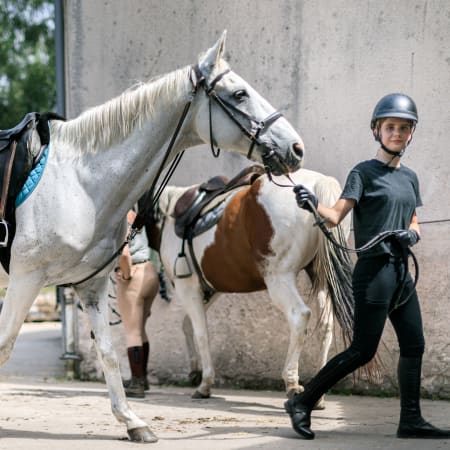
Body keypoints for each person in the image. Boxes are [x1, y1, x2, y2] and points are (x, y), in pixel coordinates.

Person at [285, 93, 450, 440]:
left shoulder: (410, 178)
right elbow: (335, 216)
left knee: (415, 344)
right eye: (390, 127)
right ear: (377, 130)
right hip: (374, 273)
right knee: (363, 350)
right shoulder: (363, 173)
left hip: (402, 273)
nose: (397, 133)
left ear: (411, 134)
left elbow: (415, 219)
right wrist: (314, 205)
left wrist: (413, 235)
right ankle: (302, 402)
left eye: (404, 128)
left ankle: (411, 420)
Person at [115, 208, 160, 398]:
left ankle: (137, 382)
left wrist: (125, 275)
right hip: (150, 271)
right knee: (140, 329)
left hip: (134, 274)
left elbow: (124, 254)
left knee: (132, 332)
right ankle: (142, 377)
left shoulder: (118, 219)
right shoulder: (134, 215)